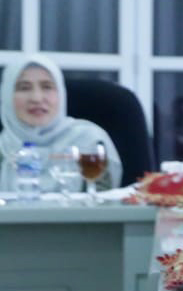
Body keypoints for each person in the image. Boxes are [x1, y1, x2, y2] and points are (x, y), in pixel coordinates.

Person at [0, 55, 122, 190]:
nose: (36, 98)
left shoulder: (90, 143)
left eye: (47, 87)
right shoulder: (2, 149)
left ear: (61, 94)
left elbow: (102, 206)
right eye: (24, 88)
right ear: (6, 96)